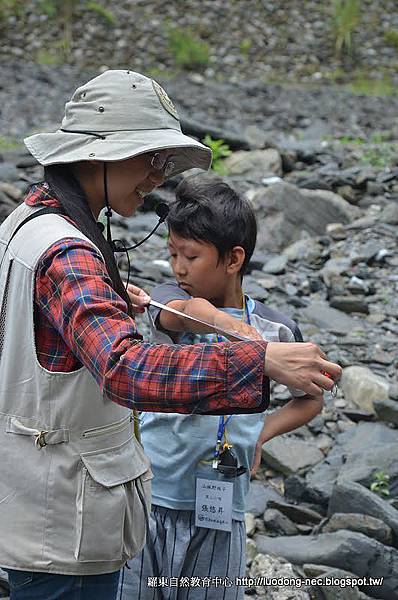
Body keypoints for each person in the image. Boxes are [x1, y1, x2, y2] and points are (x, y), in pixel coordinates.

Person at [0, 70, 341, 600]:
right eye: (151, 157)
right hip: (63, 528)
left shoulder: (27, 223)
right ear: (99, 155)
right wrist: (261, 359)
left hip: (36, 503)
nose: (158, 176)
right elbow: (125, 370)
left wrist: (108, 299)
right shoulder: (68, 253)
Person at [119, 177, 326, 600]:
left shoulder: (278, 329)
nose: (177, 268)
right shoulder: (167, 301)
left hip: (221, 508)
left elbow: (311, 398)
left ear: (234, 259)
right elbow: (191, 312)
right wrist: (245, 338)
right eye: (172, 253)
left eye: (190, 256)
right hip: (150, 497)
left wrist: (260, 434)